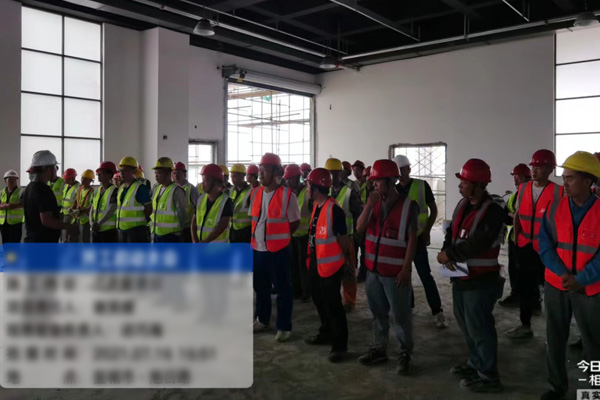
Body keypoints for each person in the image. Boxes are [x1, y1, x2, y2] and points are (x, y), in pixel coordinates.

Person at [438, 159, 505, 393]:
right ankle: (476, 363)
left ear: (478, 185)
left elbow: (479, 242)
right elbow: (451, 233)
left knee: (480, 327)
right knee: (466, 324)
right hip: (461, 277)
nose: (460, 186)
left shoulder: (493, 211)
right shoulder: (462, 205)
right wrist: (446, 250)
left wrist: (450, 254)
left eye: (464, 182)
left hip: (481, 280)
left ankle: (489, 375)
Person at [539, 151, 600, 400]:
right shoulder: (555, 208)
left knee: (594, 344)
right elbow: (544, 245)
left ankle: (593, 391)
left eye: (570, 178)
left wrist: (581, 279)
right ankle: (557, 387)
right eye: (564, 177)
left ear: (588, 181)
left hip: (589, 289)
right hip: (557, 285)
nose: (564, 183)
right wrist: (563, 273)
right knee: (555, 339)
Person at [356, 159, 418, 375]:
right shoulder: (372, 204)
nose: (374, 185)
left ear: (391, 181)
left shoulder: (409, 206)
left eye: (378, 181)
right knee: (378, 313)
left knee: (400, 316)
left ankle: (404, 352)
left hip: (395, 273)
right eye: (373, 181)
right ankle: (379, 348)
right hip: (373, 271)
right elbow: (360, 228)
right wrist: (368, 206)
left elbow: (412, 239)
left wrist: (407, 269)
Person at [507, 149, 564, 339]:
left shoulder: (559, 192)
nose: (534, 170)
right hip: (524, 245)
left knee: (551, 290)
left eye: (539, 166)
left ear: (550, 169)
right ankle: (525, 325)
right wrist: (516, 239)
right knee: (524, 286)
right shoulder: (523, 189)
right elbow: (518, 215)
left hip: (547, 248)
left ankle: (554, 332)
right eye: (533, 166)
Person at [250, 153, 300, 343]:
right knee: (260, 287)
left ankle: (284, 326)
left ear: (277, 172)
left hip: (279, 249)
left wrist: (280, 237)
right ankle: (262, 319)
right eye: (260, 169)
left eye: (265, 169)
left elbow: (294, 223)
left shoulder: (288, 195)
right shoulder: (255, 193)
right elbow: (254, 219)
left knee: (283, 289)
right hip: (258, 248)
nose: (261, 173)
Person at [394, 154, 447, 329]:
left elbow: (433, 210)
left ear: (409, 169)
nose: (401, 173)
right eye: (398, 170)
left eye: (403, 169)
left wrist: (427, 230)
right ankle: (408, 307)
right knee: (404, 275)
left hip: (417, 238)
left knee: (425, 274)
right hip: (401, 240)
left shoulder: (421, 185)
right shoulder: (394, 189)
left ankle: (437, 311)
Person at [303, 167, 350, 363]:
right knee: (319, 300)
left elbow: (344, 241)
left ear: (316, 188)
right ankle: (326, 332)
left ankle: (339, 346)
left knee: (333, 305)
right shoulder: (316, 206)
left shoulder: (334, 210)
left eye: (308, 186)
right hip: (316, 262)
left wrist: (347, 263)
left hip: (331, 266)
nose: (306, 189)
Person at [326, 158, 361, 312]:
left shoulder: (349, 191)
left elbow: (357, 214)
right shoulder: (325, 191)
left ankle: (349, 300)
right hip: (329, 238)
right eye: (329, 173)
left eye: (335, 173)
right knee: (330, 269)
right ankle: (333, 297)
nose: (333, 176)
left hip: (346, 236)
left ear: (341, 173)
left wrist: (356, 234)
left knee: (348, 270)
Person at [23, 150, 77, 243]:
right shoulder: (44, 190)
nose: (56, 170)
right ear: (49, 168)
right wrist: (69, 226)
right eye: (55, 167)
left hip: (32, 240)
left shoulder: (29, 187)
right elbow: (46, 220)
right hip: (44, 243)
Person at [499, 163, 532, 308]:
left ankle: (533, 301)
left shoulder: (532, 195)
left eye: (518, 176)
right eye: (514, 177)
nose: (515, 179)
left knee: (528, 271)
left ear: (527, 177)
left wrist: (514, 216)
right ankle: (515, 295)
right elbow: (505, 216)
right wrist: (513, 216)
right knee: (513, 269)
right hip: (514, 239)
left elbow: (527, 216)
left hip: (529, 240)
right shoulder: (513, 196)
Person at [286, 164, 312, 301]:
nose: (288, 181)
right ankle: (296, 290)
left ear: (298, 177)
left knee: (304, 265)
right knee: (293, 264)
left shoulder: (307, 193)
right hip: (292, 235)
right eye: (287, 179)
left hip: (305, 235)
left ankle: (306, 291)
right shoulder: (289, 193)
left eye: (291, 178)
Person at [149, 157, 187, 243]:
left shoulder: (176, 191)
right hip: (156, 234)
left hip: (172, 236)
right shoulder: (156, 189)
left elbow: (182, 215)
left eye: (159, 173)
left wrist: (180, 233)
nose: (156, 176)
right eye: (155, 173)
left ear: (168, 173)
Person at [192, 163, 233, 243]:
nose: (202, 183)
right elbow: (193, 223)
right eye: (202, 180)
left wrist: (205, 242)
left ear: (216, 182)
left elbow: (222, 226)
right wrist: (195, 241)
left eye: (205, 180)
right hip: (201, 246)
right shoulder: (200, 199)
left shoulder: (226, 201)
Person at [116, 156, 152, 243]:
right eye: (120, 171)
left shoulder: (140, 188)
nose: (122, 173)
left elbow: (149, 210)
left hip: (137, 232)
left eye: (125, 171)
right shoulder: (122, 188)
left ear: (134, 172)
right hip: (122, 231)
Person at [90, 162, 118, 243]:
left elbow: (111, 210)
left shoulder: (114, 191)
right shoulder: (97, 191)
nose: (98, 175)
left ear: (109, 175)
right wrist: (91, 223)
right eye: (98, 173)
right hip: (95, 229)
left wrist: (98, 223)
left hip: (108, 231)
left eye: (101, 173)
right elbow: (92, 208)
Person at [172, 162, 199, 243]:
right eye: (174, 173)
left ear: (184, 174)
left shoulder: (192, 189)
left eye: (178, 173)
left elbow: (197, 209)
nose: (176, 176)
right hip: (174, 228)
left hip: (187, 228)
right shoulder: (171, 188)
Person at [229, 163, 253, 243]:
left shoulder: (251, 192)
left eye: (235, 176)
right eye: (231, 177)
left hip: (245, 231)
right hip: (233, 229)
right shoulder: (232, 191)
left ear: (242, 176)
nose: (233, 179)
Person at [357, 165, 373, 283]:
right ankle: (363, 274)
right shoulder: (363, 189)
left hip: (372, 225)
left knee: (367, 251)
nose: (368, 180)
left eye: (369, 177)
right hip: (363, 222)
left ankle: (366, 273)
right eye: (366, 177)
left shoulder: (377, 191)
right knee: (363, 251)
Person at [71, 169, 95, 243]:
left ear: (90, 180)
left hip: (85, 220)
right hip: (77, 217)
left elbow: (91, 206)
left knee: (84, 240)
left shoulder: (92, 192)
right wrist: (72, 208)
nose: (82, 180)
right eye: (82, 178)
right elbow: (76, 200)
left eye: (85, 179)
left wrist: (82, 210)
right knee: (74, 239)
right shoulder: (79, 189)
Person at [0, 170, 24, 243]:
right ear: (5, 181)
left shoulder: (21, 192)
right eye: (10, 179)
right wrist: (4, 206)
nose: (12, 181)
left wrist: (10, 206)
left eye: (14, 179)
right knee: (5, 244)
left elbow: (23, 204)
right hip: (3, 223)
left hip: (16, 224)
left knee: (14, 245)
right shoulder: (1, 193)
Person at [61, 168, 80, 243]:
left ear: (72, 178)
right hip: (64, 214)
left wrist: (72, 209)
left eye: (67, 178)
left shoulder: (78, 187)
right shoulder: (66, 186)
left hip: (72, 216)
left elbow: (77, 201)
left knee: (71, 236)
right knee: (64, 236)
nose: (65, 180)